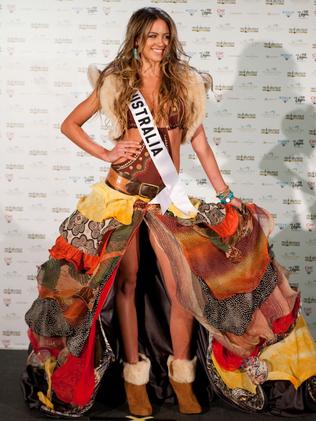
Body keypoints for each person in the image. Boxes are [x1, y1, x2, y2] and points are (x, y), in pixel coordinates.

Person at [22, 6, 316, 419]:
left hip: (165, 199)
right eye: (152, 36)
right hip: (119, 199)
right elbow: (70, 124)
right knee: (125, 285)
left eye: (165, 36)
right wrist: (107, 151)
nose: (160, 43)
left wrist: (225, 193)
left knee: (183, 289)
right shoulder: (117, 83)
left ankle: (182, 376)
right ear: (137, 39)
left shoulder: (183, 85)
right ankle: (133, 377)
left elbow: (201, 148)